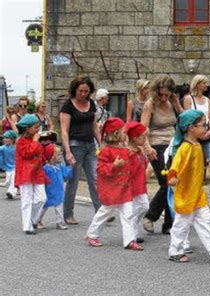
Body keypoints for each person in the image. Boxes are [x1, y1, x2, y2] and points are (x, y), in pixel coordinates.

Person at [167, 109, 210, 263]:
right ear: (191, 128)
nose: (206, 127)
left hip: (197, 193)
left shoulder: (197, 145)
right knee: (181, 224)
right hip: (185, 193)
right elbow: (175, 165)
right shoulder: (184, 148)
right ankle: (175, 250)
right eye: (203, 125)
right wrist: (172, 177)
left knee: (205, 221)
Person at [85, 118, 142, 250]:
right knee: (105, 212)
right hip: (112, 190)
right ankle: (92, 234)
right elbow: (100, 169)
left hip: (124, 188)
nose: (125, 133)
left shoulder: (124, 149)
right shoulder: (106, 151)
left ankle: (130, 240)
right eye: (123, 131)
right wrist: (114, 165)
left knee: (129, 214)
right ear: (116, 133)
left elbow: (128, 167)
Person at [141, 74, 183, 234]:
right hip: (156, 146)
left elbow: (184, 119)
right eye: (162, 94)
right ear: (156, 92)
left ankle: (169, 223)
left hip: (173, 146)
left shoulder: (172, 102)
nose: (164, 97)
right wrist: (147, 147)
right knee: (166, 183)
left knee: (173, 183)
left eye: (167, 94)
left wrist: (176, 104)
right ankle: (150, 216)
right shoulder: (150, 104)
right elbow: (143, 129)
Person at [60, 76, 101, 225]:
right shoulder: (67, 106)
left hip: (90, 146)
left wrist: (101, 144)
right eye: (80, 91)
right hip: (74, 145)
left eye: (86, 91)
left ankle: (101, 212)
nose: (83, 94)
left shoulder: (91, 104)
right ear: (75, 90)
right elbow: (64, 130)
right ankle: (68, 214)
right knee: (73, 181)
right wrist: (68, 151)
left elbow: (95, 126)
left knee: (95, 179)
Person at [14, 114, 48, 234]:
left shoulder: (36, 140)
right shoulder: (20, 141)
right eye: (35, 127)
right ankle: (27, 226)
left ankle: (33, 219)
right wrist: (35, 142)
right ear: (27, 128)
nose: (38, 129)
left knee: (42, 198)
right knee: (27, 200)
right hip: (25, 173)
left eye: (38, 126)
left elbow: (40, 155)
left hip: (37, 172)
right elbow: (27, 153)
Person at [37, 144, 72, 230]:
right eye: (58, 154)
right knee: (44, 207)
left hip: (58, 192)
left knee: (59, 207)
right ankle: (37, 220)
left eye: (61, 154)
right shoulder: (46, 168)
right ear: (51, 156)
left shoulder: (59, 167)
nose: (60, 156)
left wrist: (71, 166)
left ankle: (59, 222)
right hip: (48, 191)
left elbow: (66, 174)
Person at [126, 121, 150, 244]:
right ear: (135, 138)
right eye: (143, 136)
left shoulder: (139, 151)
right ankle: (131, 232)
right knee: (140, 207)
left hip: (141, 184)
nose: (145, 139)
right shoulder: (128, 153)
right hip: (133, 186)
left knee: (144, 206)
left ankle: (132, 230)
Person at [0, 130, 18, 199]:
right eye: (4, 138)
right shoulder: (3, 148)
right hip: (8, 167)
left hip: (16, 166)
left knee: (13, 179)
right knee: (8, 182)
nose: (4, 139)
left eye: (7, 138)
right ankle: (10, 190)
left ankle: (12, 192)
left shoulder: (16, 148)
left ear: (12, 139)